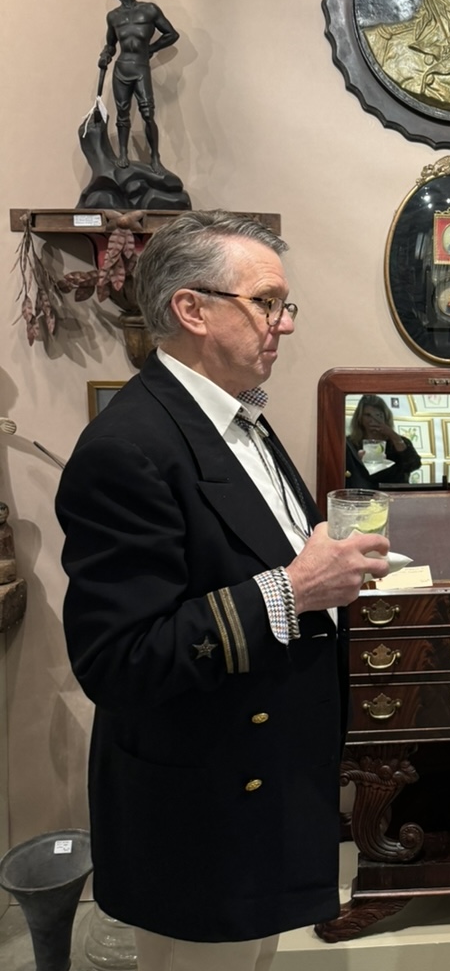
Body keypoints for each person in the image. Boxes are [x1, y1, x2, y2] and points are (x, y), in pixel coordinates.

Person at [56, 211, 390, 971]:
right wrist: (294, 589)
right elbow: (117, 659)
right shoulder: (127, 447)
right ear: (191, 309)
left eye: (284, 306)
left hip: (263, 788)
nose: (284, 325)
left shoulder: (241, 419)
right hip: (198, 813)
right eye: (266, 302)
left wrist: (322, 570)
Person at [99, 0, 180, 171]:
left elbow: (171, 34)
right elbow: (111, 45)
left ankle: (155, 158)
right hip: (122, 68)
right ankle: (123, 155)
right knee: (122, 112)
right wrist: (105, 55)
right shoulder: (113, 17)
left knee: (147, 112)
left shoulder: (149, 10)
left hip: (141, 67)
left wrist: (150, 49)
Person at [347, 394, 422, 485]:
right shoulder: (351, 443)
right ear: (360, 418)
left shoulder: (397, 441)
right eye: (367, 415)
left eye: (378, 415)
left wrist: (392, 435)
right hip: (364, 493)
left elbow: (414, 465)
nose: (372, 419)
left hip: (395, 492)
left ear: (385, 416)